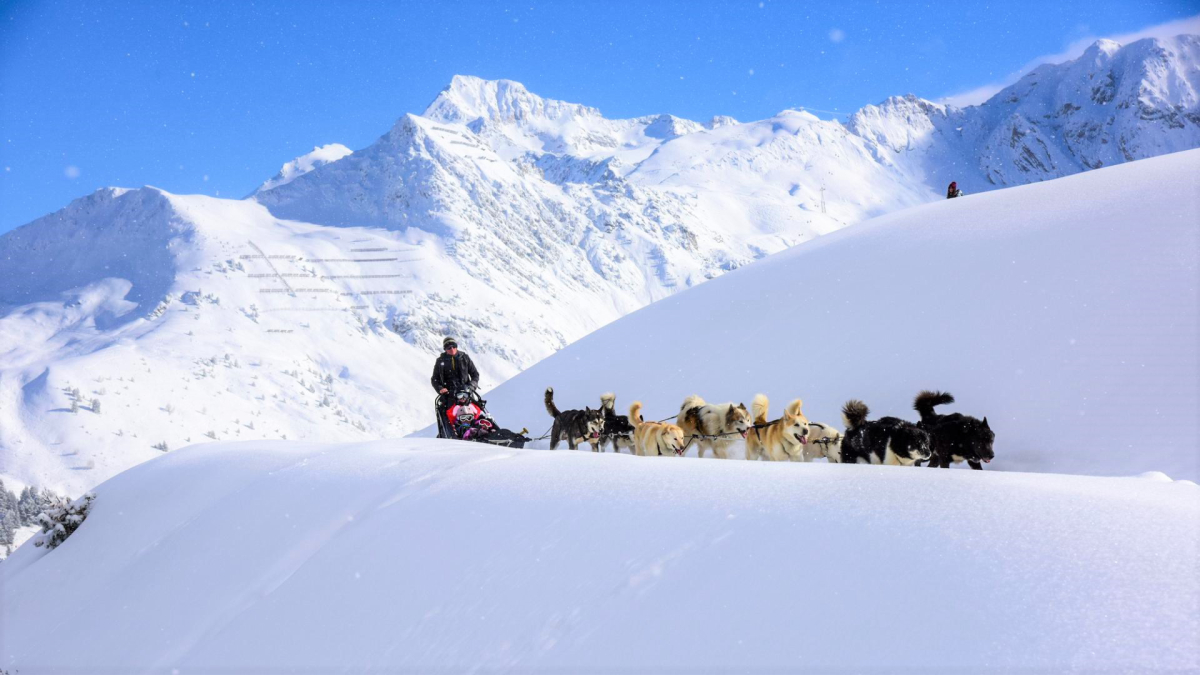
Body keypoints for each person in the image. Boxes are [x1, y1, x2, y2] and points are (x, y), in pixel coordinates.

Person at [431, 336, 479, 401]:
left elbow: (475, 374)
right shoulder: (440, 361)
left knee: (476, 407)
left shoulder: (464, 357)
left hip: (466, 393)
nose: (452, 349)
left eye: (454, 346)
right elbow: (434, 379)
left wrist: (471, 386)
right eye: (449, 347)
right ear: (445, 349)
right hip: (449, 395)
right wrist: (440, 389)